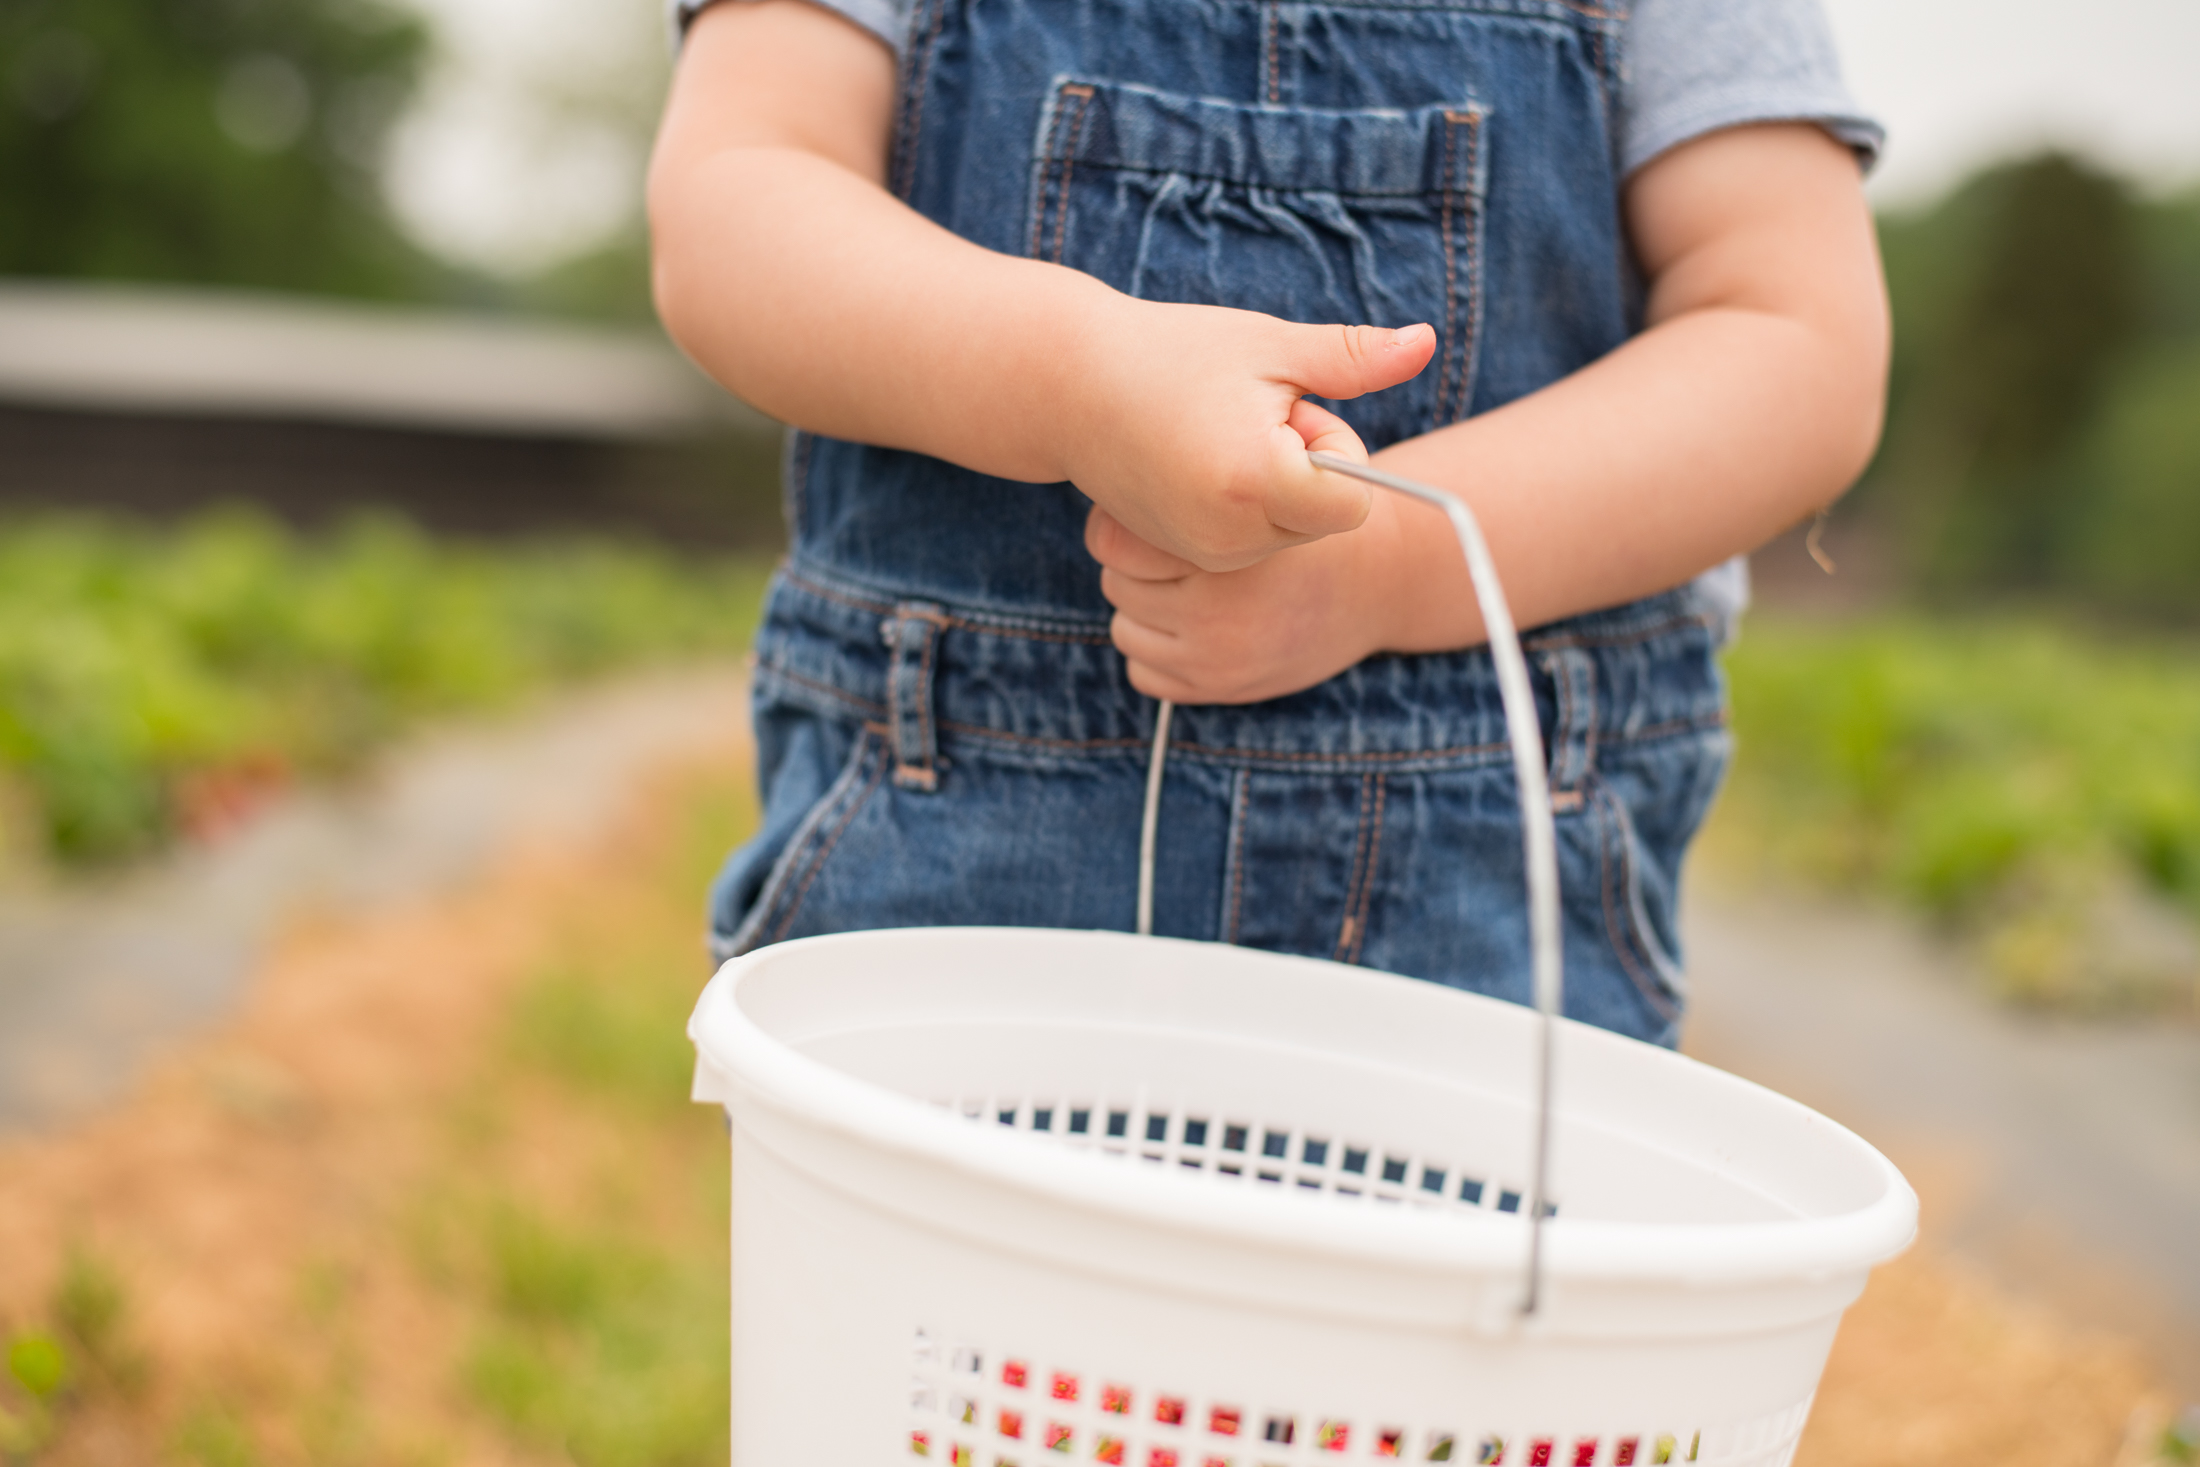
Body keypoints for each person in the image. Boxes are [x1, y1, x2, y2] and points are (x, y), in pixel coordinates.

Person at [650, 0, 1888, 1046]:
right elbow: (739, 203)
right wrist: (1072, 381)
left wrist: (1390, 565)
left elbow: (1797, 343)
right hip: (952, 861)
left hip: (1480, 907)